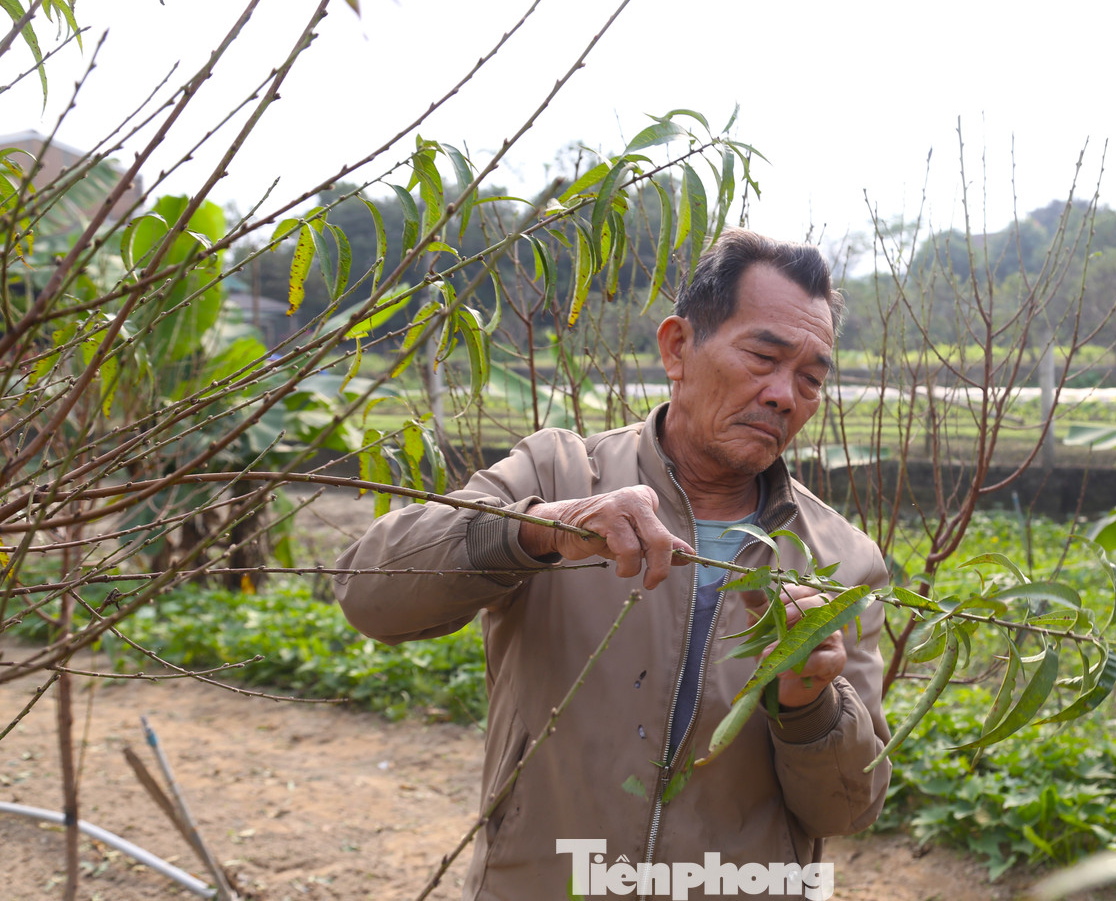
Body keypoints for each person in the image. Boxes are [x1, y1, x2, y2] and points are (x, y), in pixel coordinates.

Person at [334, 229, 890, 900]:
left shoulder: (842, 562)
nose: (784, 396)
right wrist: (541, 529)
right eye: (763, 356)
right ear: (678, 346)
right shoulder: (559, 474)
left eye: (810, 379)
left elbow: (846, 808)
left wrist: (807, 703)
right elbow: (371, 592)